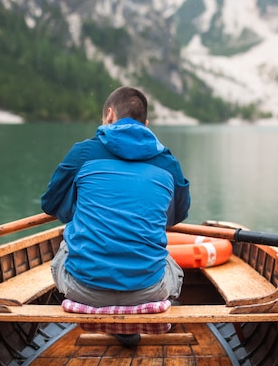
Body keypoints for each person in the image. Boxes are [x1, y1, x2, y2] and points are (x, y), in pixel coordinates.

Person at [41, 86, 190, 345]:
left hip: (84, 290)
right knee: (169, 263)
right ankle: (131, 323)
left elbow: (51, 205)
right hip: (149, 291)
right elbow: (177, 216)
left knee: (65, 246)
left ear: (109, 115)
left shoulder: (83, 153)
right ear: (146, 124)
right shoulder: (167, 163)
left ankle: (112, 321)